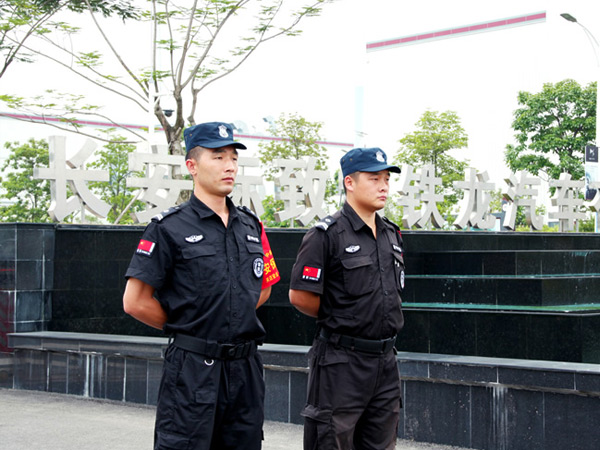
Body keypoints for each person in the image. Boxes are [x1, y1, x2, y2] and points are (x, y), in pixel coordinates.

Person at [123, 121, 280, 450]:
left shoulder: (251, 226)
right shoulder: (168, 228)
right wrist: (191, 327)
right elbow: (135, 301)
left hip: (245, 370)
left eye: (234, 158)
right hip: (193, 369)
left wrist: (230, 318)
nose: (229, 166)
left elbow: (264, 286)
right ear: (192, 166)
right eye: (218, 156)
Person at [289, 147, 405, 450]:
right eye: (374, 178)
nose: (383, 186)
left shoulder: (390, 234)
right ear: (349, 183)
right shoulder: (326, 235)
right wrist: (343, 317)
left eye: (386, 179)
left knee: (381, 444)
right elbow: (300, 296)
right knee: (331, 441)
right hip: (341, 362)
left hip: (385, 362)